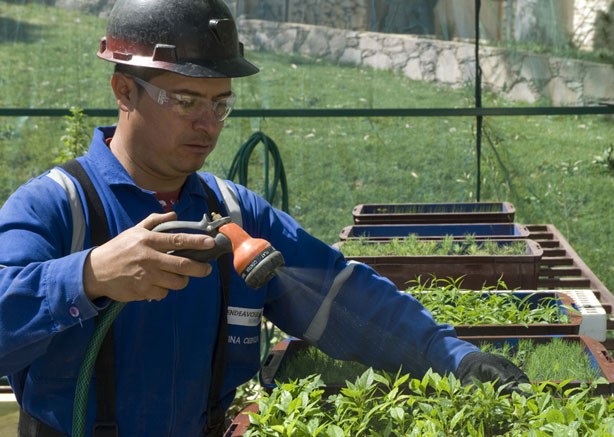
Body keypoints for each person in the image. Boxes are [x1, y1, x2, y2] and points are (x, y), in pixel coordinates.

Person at [0, 0, 528, 435]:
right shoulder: (59, 207)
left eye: (221, 104)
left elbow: (343, 296)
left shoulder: (233, 213)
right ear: (123, 91)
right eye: (186, 100)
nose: (208, 124)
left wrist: (451, 354)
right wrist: (87, 277)